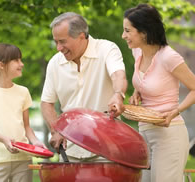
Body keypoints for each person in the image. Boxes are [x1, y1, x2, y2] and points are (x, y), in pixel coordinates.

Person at [122, 4, 195, 182]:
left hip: (169, 134)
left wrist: (175, 111)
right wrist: (137, 92)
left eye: (127, 31)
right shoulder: (137, 52)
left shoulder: (169, 57)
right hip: (144, 132)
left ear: (144, 32)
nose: (123, 36)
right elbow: (147, 80)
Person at [41, 12, 128, 161]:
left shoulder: (107, 49)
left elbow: (118, 75)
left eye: (62, 41)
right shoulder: (55, 63)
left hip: (106, 148)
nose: (58, 48)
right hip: (70, 151)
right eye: (56, 42)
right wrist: (55, 131)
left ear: (81, 36)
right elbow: (46, 103)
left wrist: (118, 94)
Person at [0, 43, 46, 182]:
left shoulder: (23, 91)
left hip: (23, 159)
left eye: (21, 59)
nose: (22, 64)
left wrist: (36, 142)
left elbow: (26, 127)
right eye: (16, 60)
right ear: (1, 65)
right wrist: (4, 139)